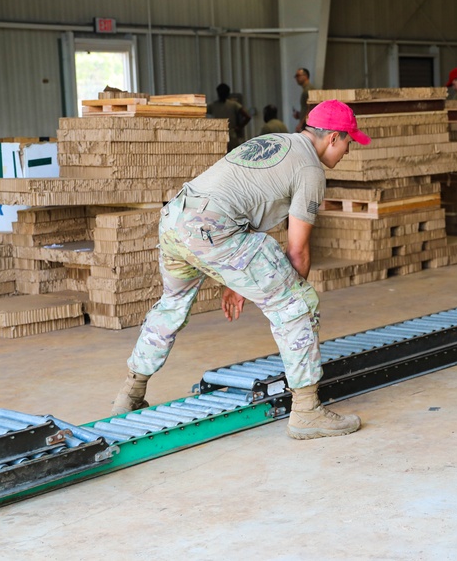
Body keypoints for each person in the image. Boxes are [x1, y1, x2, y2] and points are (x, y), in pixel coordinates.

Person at [111, 100, 372, 440]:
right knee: (298, 303)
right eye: (349, 142)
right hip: (213, 229)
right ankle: (307, 411)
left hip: (176, 219)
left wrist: (241, 281)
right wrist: (284, 297)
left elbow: (242, 205)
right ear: (334, 138)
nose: (348, 151)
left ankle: (127, 397)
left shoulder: (277, 142)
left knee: (172, 304)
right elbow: (297, 251)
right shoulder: (310, 169)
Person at [207, 83, 253, 152]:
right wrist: (239, 127)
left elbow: (200, 112)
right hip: (231, 136)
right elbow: (247, 117)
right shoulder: (234, 104)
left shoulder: (213, 105)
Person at [293, 68, 315, 133]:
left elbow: (311, 108)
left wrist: (301, 124)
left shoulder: (308, 90)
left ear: (305, 76)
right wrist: (300, 115)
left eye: (298, 75)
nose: (296, 78)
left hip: (307, 125)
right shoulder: (307, 89)